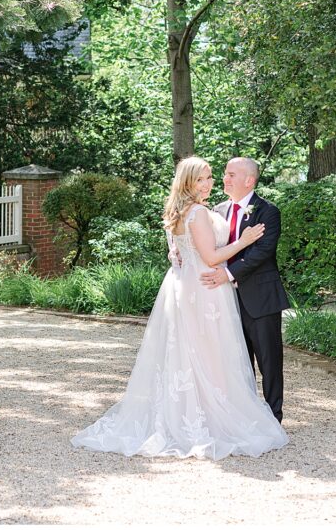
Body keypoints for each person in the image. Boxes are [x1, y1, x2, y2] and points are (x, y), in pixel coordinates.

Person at [71, 157, 288, 460]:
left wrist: (189, 258)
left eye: (219, 176)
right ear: (189, 182)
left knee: (242, 358)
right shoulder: (205, 211)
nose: (215, 182)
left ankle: (261, 416)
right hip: (208, 293)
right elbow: (208, 255)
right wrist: (239, 243)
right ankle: (219, 418)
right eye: (208, 177)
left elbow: (258, 252)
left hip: (237, 294)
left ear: (248, 180)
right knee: (213, 356)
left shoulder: (258, 211)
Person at [199, 157, 290, 423]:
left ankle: (274, 418)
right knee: (236, 362)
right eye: (225, 174)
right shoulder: (217, 210)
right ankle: (244, 417)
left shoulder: (267, 211)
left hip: (260, 298)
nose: (224, 179)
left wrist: (227, 274)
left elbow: (262, 252)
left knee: (269, 362)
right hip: (224, 300)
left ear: (249, 180)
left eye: (230, 174)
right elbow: (209, 247)